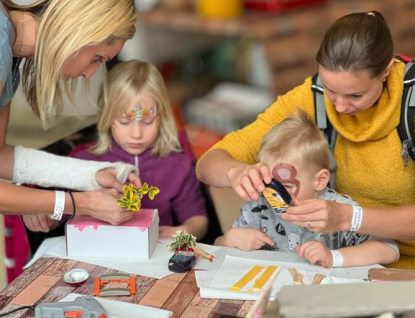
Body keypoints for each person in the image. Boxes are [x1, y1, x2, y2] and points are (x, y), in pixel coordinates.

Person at [196, 11, 415, 269]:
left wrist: (349, 218)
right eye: (332, 91)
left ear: (386, 71)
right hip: (342, 263)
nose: (341, 106)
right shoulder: (313, 96)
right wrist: (236, 173)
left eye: (356, 95)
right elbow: (208, 162)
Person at [25, 60, 209, 239]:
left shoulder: (177, 165)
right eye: (124, 121)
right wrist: (41, 215)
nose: (136, 134)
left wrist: (184, 231)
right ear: (106, 116)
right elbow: (59, 217)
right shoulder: (82, 163)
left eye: (147, 122)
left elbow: (198, 219)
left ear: (162, 118)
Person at [0, 0, 140, 225]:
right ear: (80, 31)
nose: (90, 74)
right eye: (98, 58)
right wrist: (81, 203)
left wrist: (92, 175)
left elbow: (1, 157)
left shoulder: (10, 54)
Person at [214, 110, 399, 268]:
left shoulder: (338, 210)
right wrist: (231, 239)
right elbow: (217, 246)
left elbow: (389, 250)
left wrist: (333, 257)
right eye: (267, 183)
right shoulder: (258, 208)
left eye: (285, 186)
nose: (273, 195)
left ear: (320, 180)